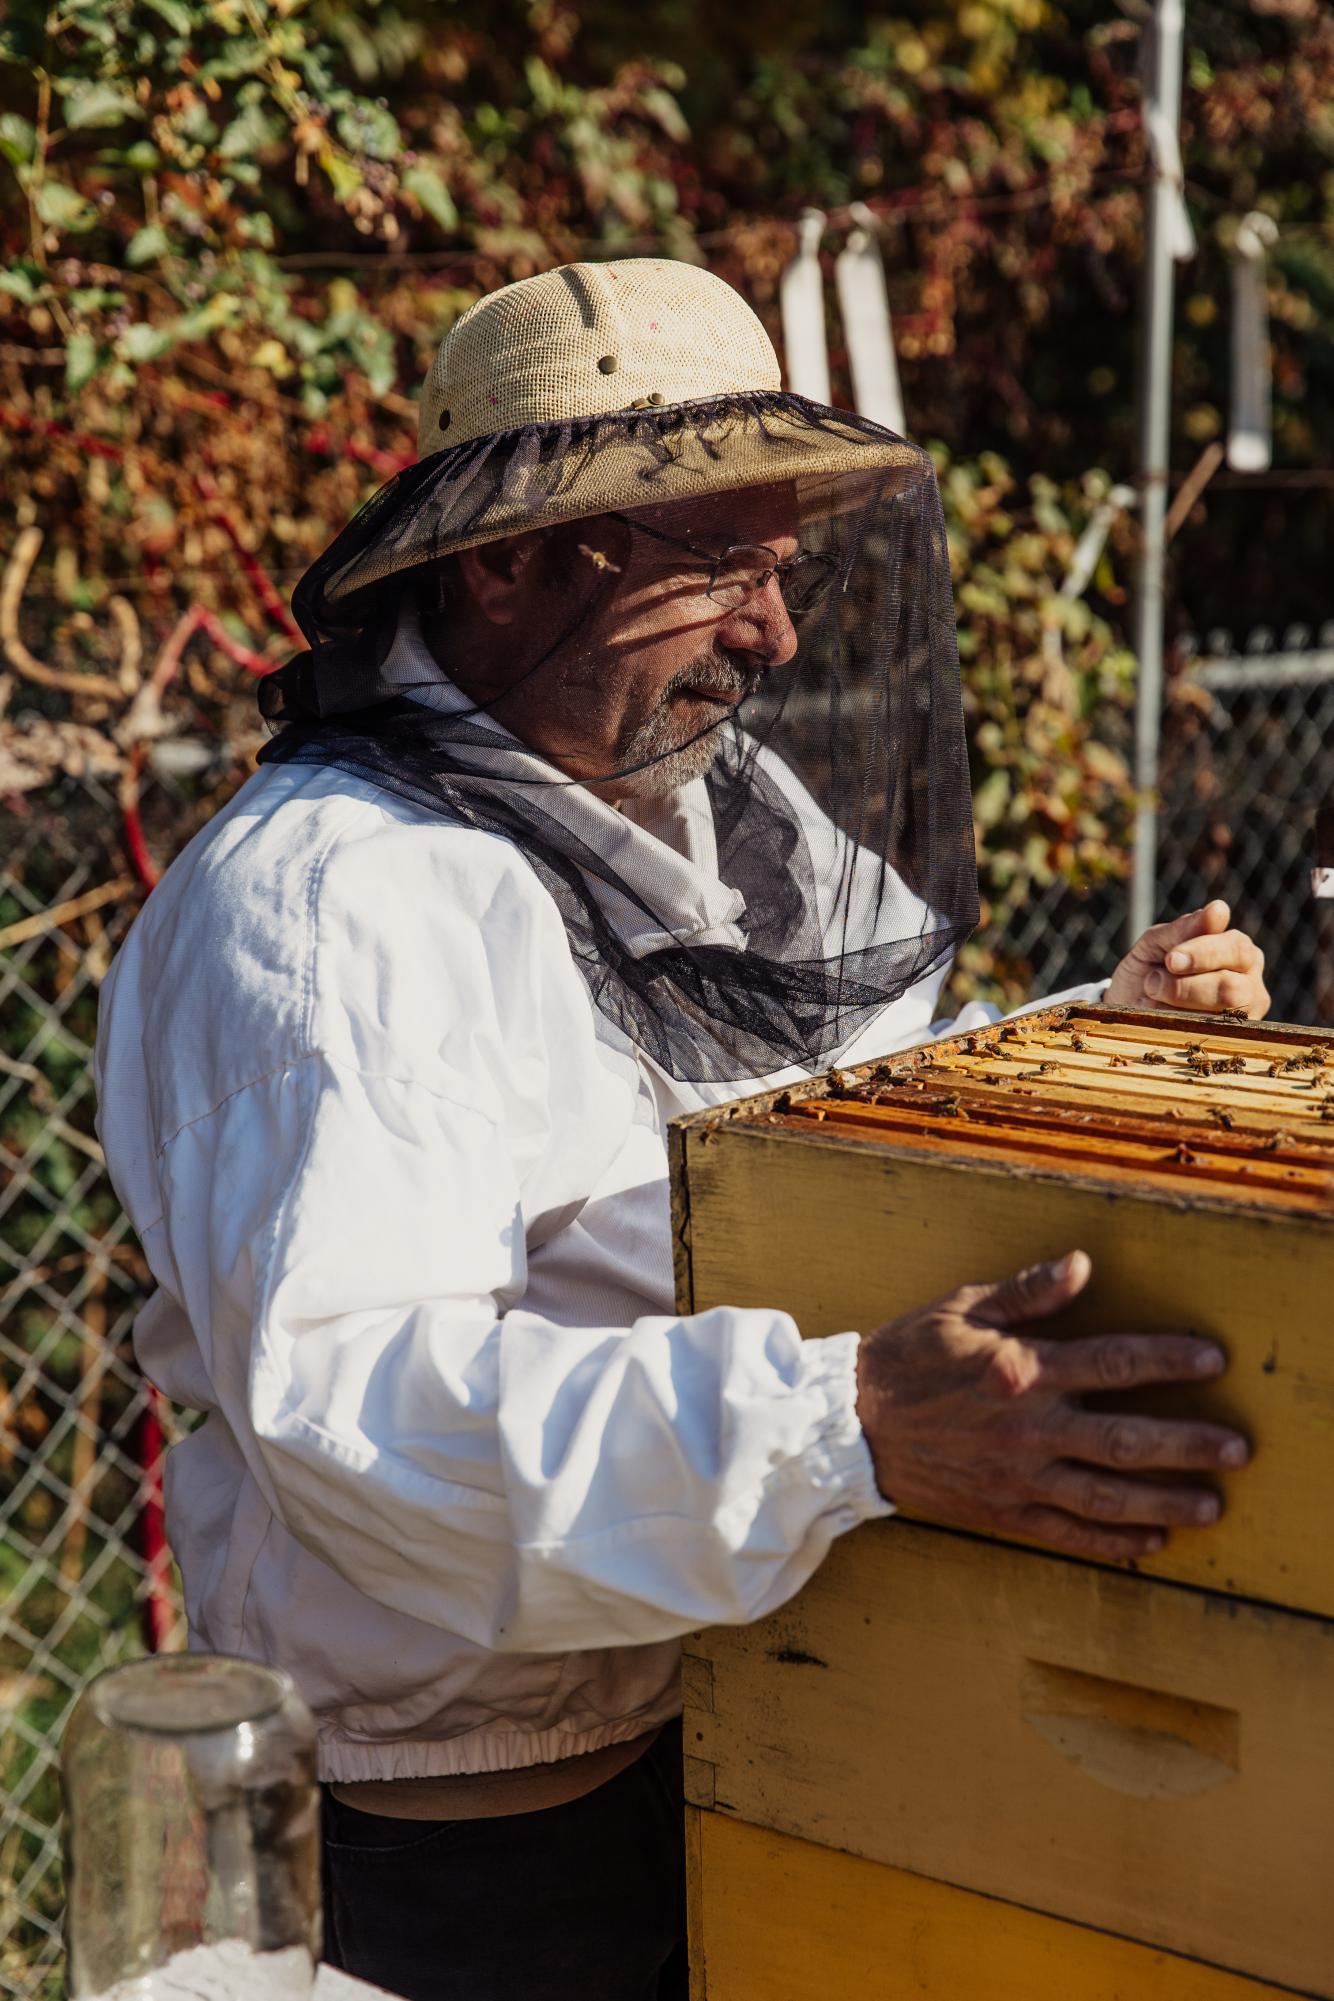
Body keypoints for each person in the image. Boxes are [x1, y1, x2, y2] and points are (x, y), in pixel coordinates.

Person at [95, 260, 1267, 2001]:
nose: (774, 635)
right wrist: (846, 1422)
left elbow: (846, 1115)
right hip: (479, 1838)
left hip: (769, 1703)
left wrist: (1084, 1045)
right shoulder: (340, 907)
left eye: (781, 567)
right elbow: (377, 1424)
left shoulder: (723, 811)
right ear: (504, 559)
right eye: (720, 565)